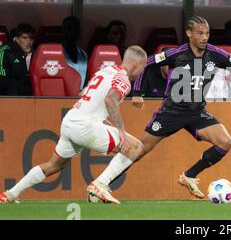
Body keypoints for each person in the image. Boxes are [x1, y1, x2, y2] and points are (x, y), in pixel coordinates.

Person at [112, 16, 231, 199]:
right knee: (139, 150)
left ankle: (190, 175)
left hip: (197, 113)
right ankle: (102, 183)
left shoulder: (216, 54)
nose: (205, 37)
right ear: (189, 33)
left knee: (225, 142)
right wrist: (138, 91)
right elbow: (146, 63)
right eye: (200, 33)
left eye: (207, 33)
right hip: (171, 112)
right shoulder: (176, 54)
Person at [0, 46, 148, 204]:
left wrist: (101, 118)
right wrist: (121, 132)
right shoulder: (123, 79)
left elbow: (84, 94)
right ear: (135, 64)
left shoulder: (104, 71)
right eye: (143, 67)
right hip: (85, 126)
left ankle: (10, 194)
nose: (142, 72)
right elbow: (110, 100)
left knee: (53, 165)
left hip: (71, 120)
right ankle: (100, 184)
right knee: (136, 147)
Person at [0, 23, 35, 96]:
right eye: (24, 38)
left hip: (30, 95)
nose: (28, 42)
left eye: (31, 38)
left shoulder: (37, 53)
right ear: (16, 39)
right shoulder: (5, 51)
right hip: (9, 94)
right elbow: (2, 80)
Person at [61, 16, 88, 90]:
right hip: (63, 95)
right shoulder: (57, 53)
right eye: (70, 29)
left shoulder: (84, 55)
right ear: (63, 31)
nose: (73, 32)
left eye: (76, 29)